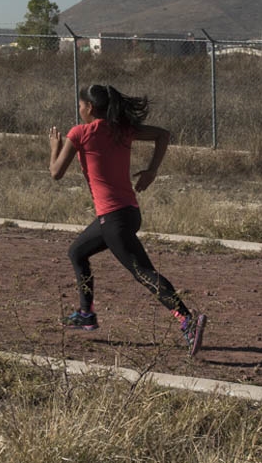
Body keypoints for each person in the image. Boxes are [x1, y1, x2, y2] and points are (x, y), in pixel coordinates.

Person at [48, 84, 206, 356]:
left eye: (80, 105)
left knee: (143, 272)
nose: (79, 110)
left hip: (114, 219)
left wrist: (55, 147)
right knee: (77, 252)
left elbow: (55, 173)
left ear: (90, 108)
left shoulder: (80, 133)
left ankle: (187, 320)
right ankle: (86, 314)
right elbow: (163, 135)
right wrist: (152, 171)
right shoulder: (121, 129)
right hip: (128, 214)